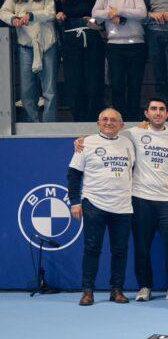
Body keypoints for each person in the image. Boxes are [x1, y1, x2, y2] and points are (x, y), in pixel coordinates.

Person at [67, 108, 135, 306]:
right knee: (92, 249)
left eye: (113, 120)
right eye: (104, 119)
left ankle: (117, 290)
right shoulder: (86, 144)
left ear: (121, 125)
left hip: (123, 206)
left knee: (120, 251)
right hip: (94, 204)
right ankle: (88, 292)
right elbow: (73, 174)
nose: (108, 123)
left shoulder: (128, 143)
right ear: (98, 123)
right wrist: (75, 202)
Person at [123, 99, 168, 302]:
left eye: (162, 110)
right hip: (141, 198)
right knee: (142, 246)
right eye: (154, 109)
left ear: (167, 114)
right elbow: (108, 134)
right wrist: (83, 140)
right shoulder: (134, 133)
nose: (158, 113)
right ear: (147, 113)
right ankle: (144, 286)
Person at [0, 0, 58, 122]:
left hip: (47, 46)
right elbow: (3, 11)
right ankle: (31, 124)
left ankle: (49, 125)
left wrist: (32, 15)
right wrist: (14, 19)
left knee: (49, 89)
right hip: (26, 46)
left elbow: (51, 13)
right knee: (27, 89)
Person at [92, 0, 147, 121]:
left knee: (134, 84)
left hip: (136, 45)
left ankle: (134, 118)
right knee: (117, 84)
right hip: (114, 46)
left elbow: (142, 13)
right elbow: (95, 13)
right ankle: (118, 118)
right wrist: (111, 14)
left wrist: (120, 11)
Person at [55, 0, 104, 123]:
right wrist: (59, 16)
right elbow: (56, 20)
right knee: (74, 81)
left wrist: (93, 21)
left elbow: (100, 20)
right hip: (71, 44)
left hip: (92, 42)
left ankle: (92, 118)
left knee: (93, 80)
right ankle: (79, 118)